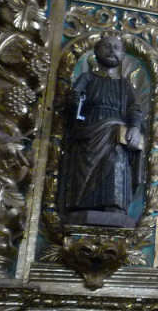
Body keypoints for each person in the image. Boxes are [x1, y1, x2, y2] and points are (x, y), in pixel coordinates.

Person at [58, 33, 145, 227]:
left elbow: (135, 109)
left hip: (115, 134)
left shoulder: (125, 85)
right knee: (85, 166)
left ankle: (114, 206)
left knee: (116, 161)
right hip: (89, 131)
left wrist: (135, 127)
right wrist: (75, 103)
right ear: (96, 52)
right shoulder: (87, 78)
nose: (112, 51)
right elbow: (74, 100)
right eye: (107, 46)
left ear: (123, 55)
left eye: (117, 48)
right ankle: (82, 205)